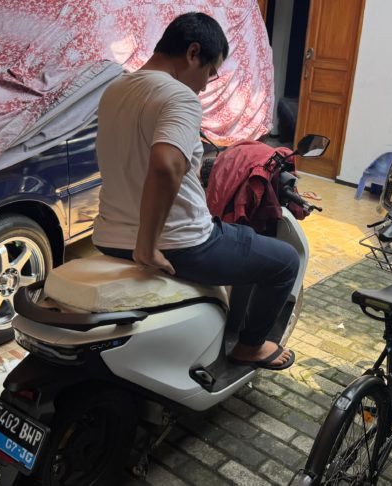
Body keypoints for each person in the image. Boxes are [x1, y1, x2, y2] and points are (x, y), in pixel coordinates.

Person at [92, 12, 299, 370]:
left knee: (243, 240)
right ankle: (250, 346)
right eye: (210, 71)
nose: (204, 85)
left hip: (108, 237)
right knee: (284, 262)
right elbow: (166, 165)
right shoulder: (179, 96)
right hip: (181, 243)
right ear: (192, 53)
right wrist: (147, 244)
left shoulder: (116, 90)